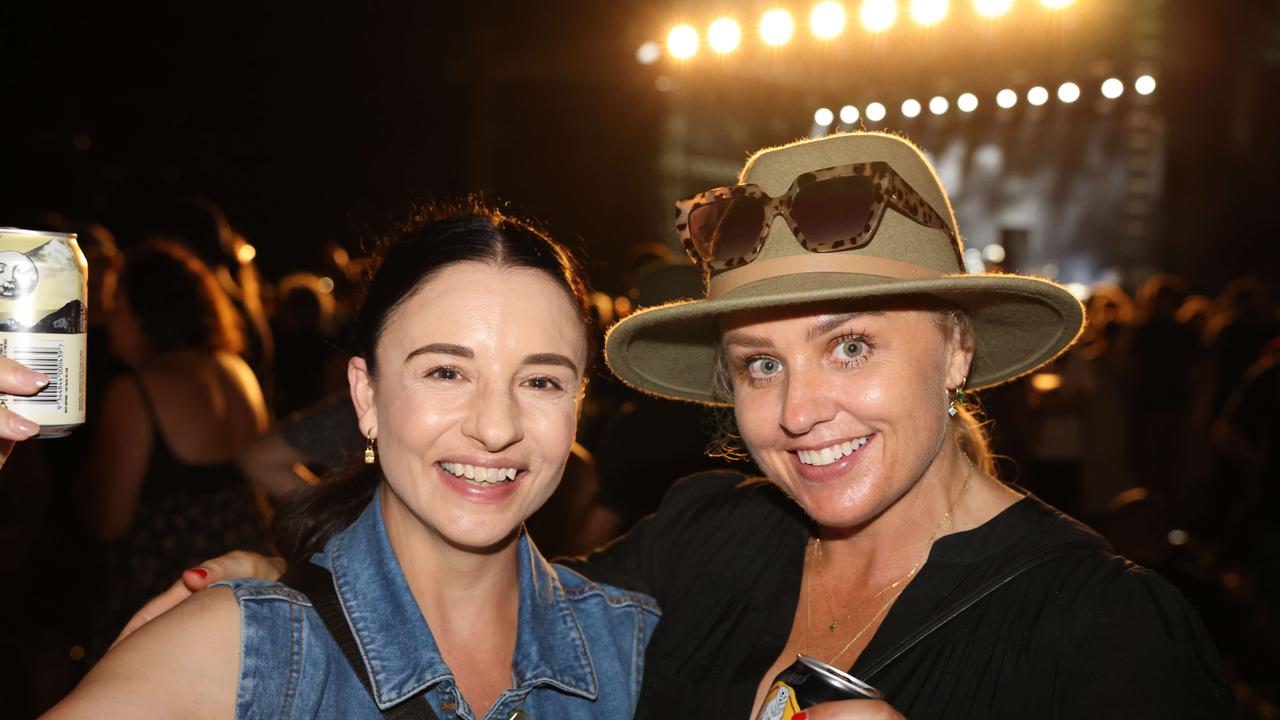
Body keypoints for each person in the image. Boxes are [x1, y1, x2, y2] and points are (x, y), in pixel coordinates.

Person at [121, 133, 1235, 718]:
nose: (797, 412)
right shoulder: (712, 541)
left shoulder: (1102, 632)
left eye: (849, 344)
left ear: (954, 349)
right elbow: (486, 605)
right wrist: (284, 576)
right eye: (759, 363)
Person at [48, 204, 659, 719]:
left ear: (578, 405)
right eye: (446, 372)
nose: (496, 428)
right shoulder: (246, 651)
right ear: (365, 396)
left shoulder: (633, 648)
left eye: (542, 382)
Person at [83, 239, 273, 652]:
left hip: (167, 600)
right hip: (246, 587)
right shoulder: (235, 370)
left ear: (145, 312)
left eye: (117, 306)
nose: (108, 319)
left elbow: (107, 521)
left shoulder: (134, 392)